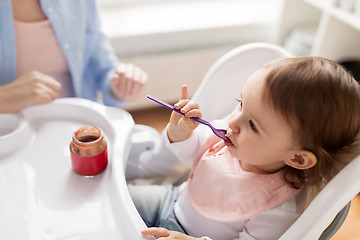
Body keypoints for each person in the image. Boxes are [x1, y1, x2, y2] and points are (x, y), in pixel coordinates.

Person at [129, 57, 360, 240]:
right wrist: (180, 134)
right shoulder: (231, 134)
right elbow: (191, 151)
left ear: (298, 158)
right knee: (114, 200)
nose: (232, 122)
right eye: (240, 104)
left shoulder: (278, 208)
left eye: (252, 125)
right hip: (171, 200)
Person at [0, 0, 148, 113]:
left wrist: (121, 86)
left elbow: (101, 66)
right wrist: (4, 97)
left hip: (79, 129)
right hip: (10, 138)